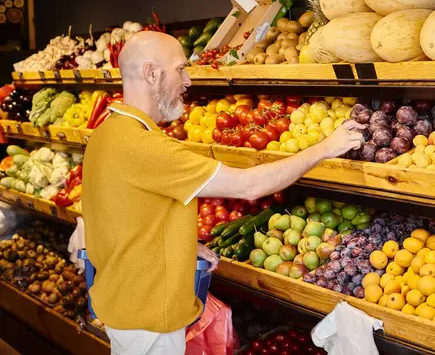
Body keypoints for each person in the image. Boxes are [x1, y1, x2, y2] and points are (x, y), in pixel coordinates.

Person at [82, 31, 365, 354]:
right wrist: (324, 148)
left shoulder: (108, 132)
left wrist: (179, 245)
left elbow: (117, 212)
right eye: (180, 69)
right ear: (151, 73)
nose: (187, 81)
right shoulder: (146, 148)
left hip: (123, 302)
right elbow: (250, 186)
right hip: (149, 321)